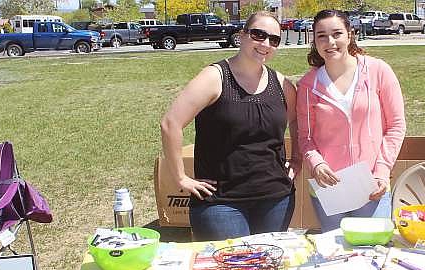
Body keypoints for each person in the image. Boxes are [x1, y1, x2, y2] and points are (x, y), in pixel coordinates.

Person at [160, 11, 300, 241]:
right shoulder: (215, 77)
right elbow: (171, 123)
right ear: (242, 35)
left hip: (276, 199)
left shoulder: (282, 84)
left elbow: (296, 122)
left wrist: (297, 159)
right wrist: (180, 178)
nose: (265, 44)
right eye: (258, 34)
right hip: (222, 203)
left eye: (273, 39)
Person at [297, 9, 406, 232]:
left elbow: (396, 126)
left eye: (337, 33)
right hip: (329, 190)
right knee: (336, 257)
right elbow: (305, 137)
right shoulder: (308, 85)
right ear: (314, 40)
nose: (330, 42)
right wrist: (316, 164)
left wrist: (382, 172)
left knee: (374, 255)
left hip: (372, 186)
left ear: (350, 34)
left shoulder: (378, 71)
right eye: (322, 36)